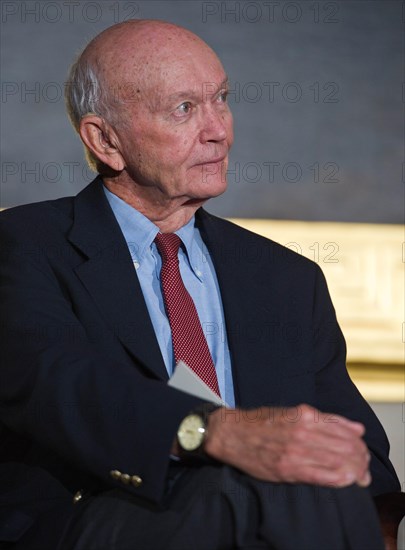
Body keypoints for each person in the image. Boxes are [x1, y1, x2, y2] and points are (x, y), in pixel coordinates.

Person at [0, 19, 400, 550]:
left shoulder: (286, 279)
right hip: (93, 517)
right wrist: (213, 433)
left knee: (317, 487)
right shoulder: (25, 245)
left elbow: (362, 451)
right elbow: (60, 386)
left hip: (275, 518)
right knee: (249, 491)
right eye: (185, 109)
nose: (220, 130)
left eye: (222, 99)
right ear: (105, 140)